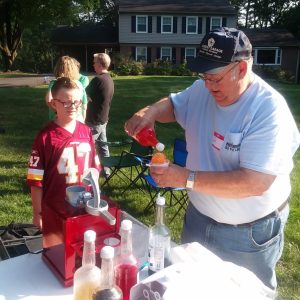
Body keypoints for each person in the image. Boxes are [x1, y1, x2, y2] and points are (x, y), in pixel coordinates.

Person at [125, 27, 300, 290]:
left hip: (248, 234)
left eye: (215, 78)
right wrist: (149, 112)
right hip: (199, 218)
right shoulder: (202, 90)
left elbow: (255, 183)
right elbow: (173, 105)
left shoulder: (267, 110)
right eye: (203, 75)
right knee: (190, 288)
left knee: (243, 293)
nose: (207, 85)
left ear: (241, 69)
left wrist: (184, 177)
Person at [27, 77, 100, 230]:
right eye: (66, 102)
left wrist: (95, 199)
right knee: (57, 250)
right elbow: (35, 180)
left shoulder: (86, 131)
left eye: (76, 102)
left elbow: (94, 170)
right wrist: (37, 213)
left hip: (83, 204)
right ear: (54, 104)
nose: (72, 106)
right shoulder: (45, 137)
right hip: (55, 208)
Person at [85, 53, 114, 177]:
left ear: (100, 64)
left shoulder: (98, 80)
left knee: (87, 146)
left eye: (95, 62)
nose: (93, 64)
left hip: (94, 120)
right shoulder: (109, 79)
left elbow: (83, 95)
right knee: (103, 145)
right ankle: (106, 171)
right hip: (103, 118)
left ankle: (86, 171)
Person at [45, 56, 88, 122]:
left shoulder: (55, 83)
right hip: (77, 118)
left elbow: (48, 100)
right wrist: (83, 120)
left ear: (58, 68)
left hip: (60, 119)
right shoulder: (79, 83)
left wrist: (58, 112)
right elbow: (84, 104)